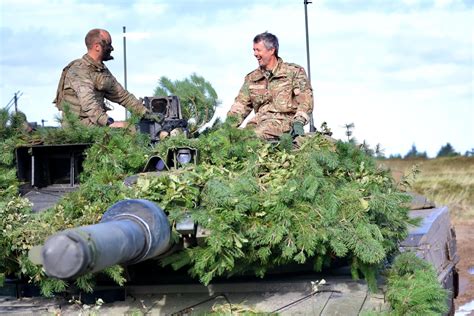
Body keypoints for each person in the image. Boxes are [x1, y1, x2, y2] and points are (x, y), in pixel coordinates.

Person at [54, 28, 160, 126]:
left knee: (138, 128)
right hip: (77, 126)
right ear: (97, 46)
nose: (112, 48)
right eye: (108, 44)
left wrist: (147, 114)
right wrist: (109, 123)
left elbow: (123, 96)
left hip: (94, 123)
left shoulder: (101, 70)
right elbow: (89, 103)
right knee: (129, 130)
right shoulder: (79, 70)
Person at [227, 32, 313, 140]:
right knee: (234, 137)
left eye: (258, 50)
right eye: (254, 50)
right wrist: (226, 128)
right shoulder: (252, 78)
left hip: (284, 123)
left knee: (250, 138)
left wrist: (299, 122)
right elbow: (240, 105)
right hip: (257, 123)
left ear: (272, 50)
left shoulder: (294, 72)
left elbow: (306, 100)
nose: (255, 53)